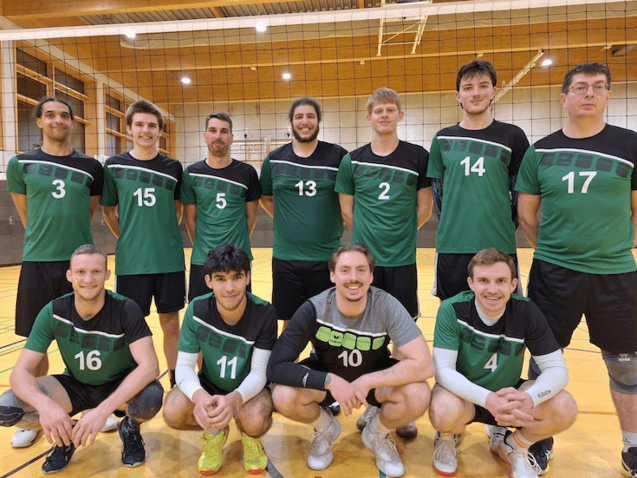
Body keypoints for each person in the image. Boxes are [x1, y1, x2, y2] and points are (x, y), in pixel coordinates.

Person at [516, 62, 637, 477]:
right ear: (564, 98)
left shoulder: (630, 144)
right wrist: (553, 252)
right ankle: (538, 438)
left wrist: (613, 249)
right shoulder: (540, 151)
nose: (589, 94)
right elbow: (527, 214)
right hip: (554, 274)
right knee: (544, 362)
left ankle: (633, 446)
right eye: (581, 87)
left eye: (598, 87)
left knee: (626, 365)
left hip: (616, 274)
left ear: (608, 96)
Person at [267, 243, 434, 477]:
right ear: (333, 275)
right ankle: (325, 428)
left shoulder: (386, 305)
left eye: (361, 270)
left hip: (373, 382)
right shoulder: (314, 308)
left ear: (371, 276)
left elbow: (424, 364)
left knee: (419, 394)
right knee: (282, 395)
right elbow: (276, 366)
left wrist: (367, 381)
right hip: (328, 381)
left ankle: (377, 434)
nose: (353, 277)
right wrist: (329, 381)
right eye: (345, 270)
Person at [0, 245, 164, 474]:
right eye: (80, 272)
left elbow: (150, 366)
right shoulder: (53, 311)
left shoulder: (125, 308)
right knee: (7, 407)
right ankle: (67, 435)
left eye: (96, 272)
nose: (88, 279)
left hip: (117, 384)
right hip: (74, 385)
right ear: (69, 275)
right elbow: (20, 373)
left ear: (107, 274)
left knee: (151, 397)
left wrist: (102, 411)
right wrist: (46, 406)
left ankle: (130, 428)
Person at [6, 96, 105, 448]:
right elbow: (26, 211)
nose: (58, 120)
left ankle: (94, 405)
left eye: (64, 115)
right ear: (39, 121)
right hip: (37, 262)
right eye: (50, 115)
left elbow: (88, 211)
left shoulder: (91, 167)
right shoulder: (21, 164)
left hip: (79, 265)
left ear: (72, 122)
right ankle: (35, 413)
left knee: (86, 336)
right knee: (37, 340)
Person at [335, 87, 432, 438]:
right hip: (366, 266)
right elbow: (347, 211)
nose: (384, 115)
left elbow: (424, 208)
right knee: (368, 334)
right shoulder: (353, 160)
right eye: (378, 110)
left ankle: (398, 403)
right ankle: (373, 402)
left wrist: (399, 235)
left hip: (402, 261)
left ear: (400, 115)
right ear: (369, 117)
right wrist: (367, 241)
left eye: (390, 109)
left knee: (402, 337)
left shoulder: (417, 156)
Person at [429, 248, 577, 478]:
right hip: (464, 396)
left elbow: (557, 370)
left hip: (509, 397)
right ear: (471, 283)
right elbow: (443, 371)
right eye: (483, 281)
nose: (492, 289)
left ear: (513, 284)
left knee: (565, 407)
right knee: (444, 409)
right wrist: (487, 399)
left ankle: (516, 446)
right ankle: (447, 438)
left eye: (501, 281)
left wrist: (530, 397)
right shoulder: (452, 309)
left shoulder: (526, 311)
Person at [163, 244, 277, 475]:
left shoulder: (264, 313)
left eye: (237, 277)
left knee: (255, 420)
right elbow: (184, 366)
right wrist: (200, 397)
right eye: (221, 279)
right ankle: (215, 432)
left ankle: (250, 436)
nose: (230, 288)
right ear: (209, 281)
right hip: (210, 385)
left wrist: (235, 400)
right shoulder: (197, 310)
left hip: (250, 390)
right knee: (173, 411)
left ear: (247, 278)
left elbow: (259, 372)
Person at [427, 60, 529, 301]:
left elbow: (519, 194)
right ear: (458, 96)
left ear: (493, 91)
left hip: (499, 246)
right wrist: (454, 224)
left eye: (483, 86)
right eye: (468, 87)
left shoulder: (513, 136)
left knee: (503, 315)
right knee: (453, 316)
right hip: (452, 246)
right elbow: (438, 195)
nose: (475, 93)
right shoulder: (442, 139)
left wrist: (503, 225)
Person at [101, 99, 185, 388]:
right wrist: (128, 236)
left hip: (168, 260)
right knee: (130, 327)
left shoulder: (173, 167)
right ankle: (134, 383)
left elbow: (178, 209)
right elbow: (108, 210)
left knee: (171, 324)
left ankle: (176, 383)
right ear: (129, 128)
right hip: (132, 262)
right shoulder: (114, 166)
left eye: (151, 125)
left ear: (160, 131)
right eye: (139, 124)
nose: (145, 130)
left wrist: (162, 233)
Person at [260, 97, 348, 332]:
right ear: (291, 121)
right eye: (299, 116)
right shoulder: (274, 159)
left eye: (310, 116)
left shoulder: (338, 156)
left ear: (319, 120)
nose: (305, 121)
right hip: (286, 258)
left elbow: (351, 197)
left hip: (327, 257)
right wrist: (286, 218)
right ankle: (290, 359)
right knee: (290, 325)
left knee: (328, 326)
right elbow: (265, 197)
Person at [181, 112, 261, 301]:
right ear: (205, 136)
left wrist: (236, 245)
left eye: (224, 131)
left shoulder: (247, 173)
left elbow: (251, 218)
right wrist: (204, 246)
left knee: (240, 313)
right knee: (201, 313)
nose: (218, 136)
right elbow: (190, 219)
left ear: (231, 138)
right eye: (213, 130)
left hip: (238, 258)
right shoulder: (191, 173)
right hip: (202, 259)